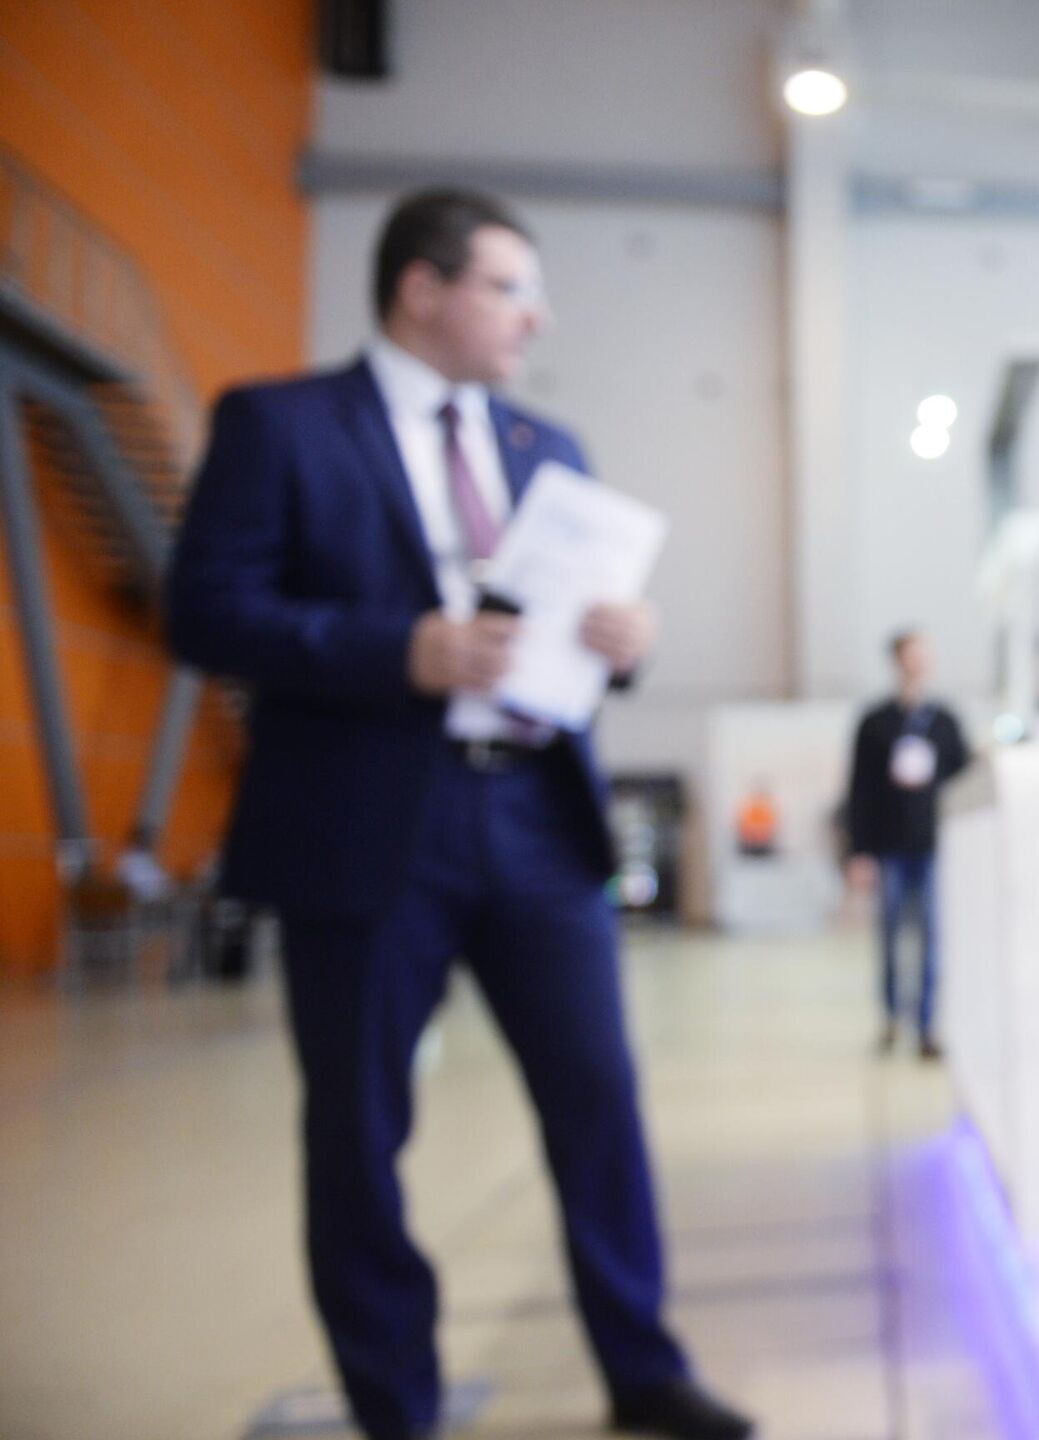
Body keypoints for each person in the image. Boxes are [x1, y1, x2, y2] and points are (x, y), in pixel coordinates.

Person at [165, 189, 752, 1440]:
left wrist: (628, 641)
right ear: (421, 289)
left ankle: (642, 1368)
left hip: (537, 811)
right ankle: (398, 1403)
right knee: (360, 1128)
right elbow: (206, 613)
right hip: (369, 823)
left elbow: (579, 622)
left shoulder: (550, 447)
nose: (536, 317)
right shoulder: (281, 425)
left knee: (598, 1098)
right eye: (508, 288)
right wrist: (400, 650)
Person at [840, 630, 970, 1059]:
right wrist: (858, 851)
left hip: (931, 845)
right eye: (911, 654)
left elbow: (963, 780)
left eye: (923, 654)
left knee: (932, 936)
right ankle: (892, 1018)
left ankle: (927, 1025)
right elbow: (859, 790)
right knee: (891, 935)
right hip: (889, 846)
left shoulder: (944, 721)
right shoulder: (875, 722)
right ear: (897, 660)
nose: (918, 661)